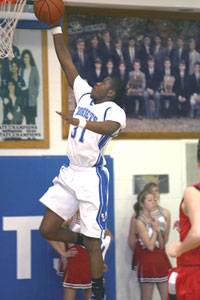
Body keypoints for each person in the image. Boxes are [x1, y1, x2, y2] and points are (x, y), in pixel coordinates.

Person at [39, 24, 126, 300]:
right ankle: (86, 242)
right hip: (71, 172)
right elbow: (65, 59)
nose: (97, 83)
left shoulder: (115, 110)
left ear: (110, 93)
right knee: (48, 229)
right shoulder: (85, 93)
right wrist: (54, 27)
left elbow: (109, 127)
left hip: (92, 177)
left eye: (103, 83)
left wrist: (81, 121)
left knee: (93, 241)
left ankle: (98, 292)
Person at [168, 139, 200, 300]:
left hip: (194, 273)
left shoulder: (193, 192)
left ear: (198, 164)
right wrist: (187, 224)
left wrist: (179, 249)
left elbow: (198, 233)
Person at [133, 190, 171, 300]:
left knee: (166, 296)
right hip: (147, 261)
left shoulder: (155, 220)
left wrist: (158, 231)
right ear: (142, 204)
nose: (153, 202)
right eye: (150, 200)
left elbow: (162, 245)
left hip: (159, 259)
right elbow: (149, 246)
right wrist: (155, 231)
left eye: (154, 200)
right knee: (147, 297)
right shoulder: (139, 221)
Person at [20, 49, 39, 125]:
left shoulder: (34, 69)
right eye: (24, 57)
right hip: (24, 95)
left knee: (32, 118)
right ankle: (29, 136)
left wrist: (34, 95)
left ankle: (33, 136)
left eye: (27, 57)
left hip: (31, 96)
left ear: (30, 58)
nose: (26, 59)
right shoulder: (22, 70)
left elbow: (37, 84)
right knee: (26, 117)